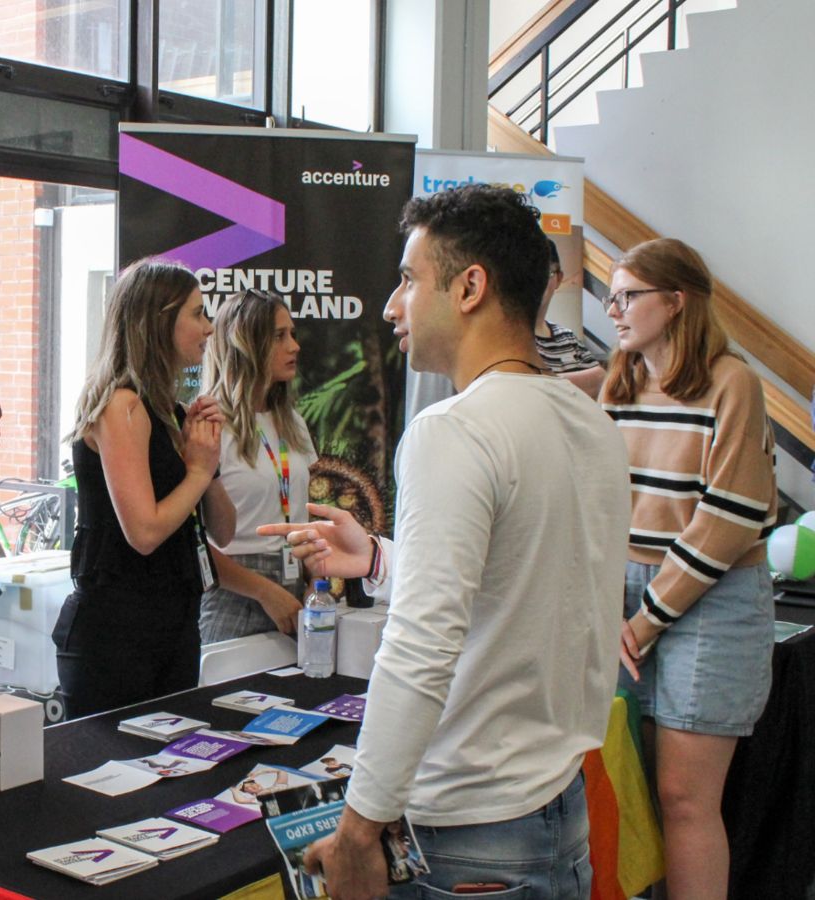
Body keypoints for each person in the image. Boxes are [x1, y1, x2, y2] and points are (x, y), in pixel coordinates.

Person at [263, 184, 631, 899]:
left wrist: (359, 827)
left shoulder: (453, 429)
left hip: (469, 832)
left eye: (407, 279)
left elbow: (422, 645)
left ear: (469, 287)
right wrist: (377, 558)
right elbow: (529, 582)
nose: (391, 305)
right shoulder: (591, 425)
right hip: (557, 810)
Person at [601, 237, 777, 898]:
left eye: (629, 297)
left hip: (710, 593)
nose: (614, 310)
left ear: (676, 302)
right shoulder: (618, 379)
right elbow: (595, 497)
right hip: (623, 592)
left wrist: (644, 622)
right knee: (635, 788)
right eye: (611, 297)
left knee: (683, 798)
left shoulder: (733, 381)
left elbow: (730, 517)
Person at [51, 258, 234, 718]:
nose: (209, 328)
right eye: (196, 313)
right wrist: (195, 472)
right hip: (117, 636)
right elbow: (144, 532)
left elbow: (224, 531)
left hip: (174, 623)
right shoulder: (122, 405)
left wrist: (206, 464)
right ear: (158, 321)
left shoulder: (170, 410)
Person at [198, 289, 317, 642]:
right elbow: (193, 543)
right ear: (246, 343)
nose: (294, 346)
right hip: (234, 594)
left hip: (294, 588)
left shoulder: (292, 421)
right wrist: (264, 591)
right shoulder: (208, 422)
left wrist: (313, 581)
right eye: (280, 336)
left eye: (292, 334)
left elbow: (303, 515)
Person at [535, 239, 606, 398]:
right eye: (529, 273)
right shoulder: (509, 336)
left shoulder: (566, 336)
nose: (536, 282)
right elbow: (524, 390)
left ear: (559, 279)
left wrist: (548, 383)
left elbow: (602, 381)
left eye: (546, 273)